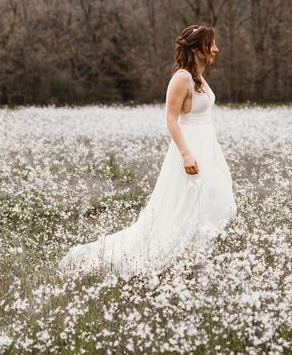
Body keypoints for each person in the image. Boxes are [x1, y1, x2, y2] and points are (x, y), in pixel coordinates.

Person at [58, 24, 237, 278]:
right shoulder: (182, 78)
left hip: (207, 147)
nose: (216, 49)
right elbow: (171, 120)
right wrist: (186, 154)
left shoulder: (200, 77)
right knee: (186, 206)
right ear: (197, 49)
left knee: (216, 200)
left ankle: (197, 258)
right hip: (190, 149)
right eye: (211, 44)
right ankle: (189, 263)